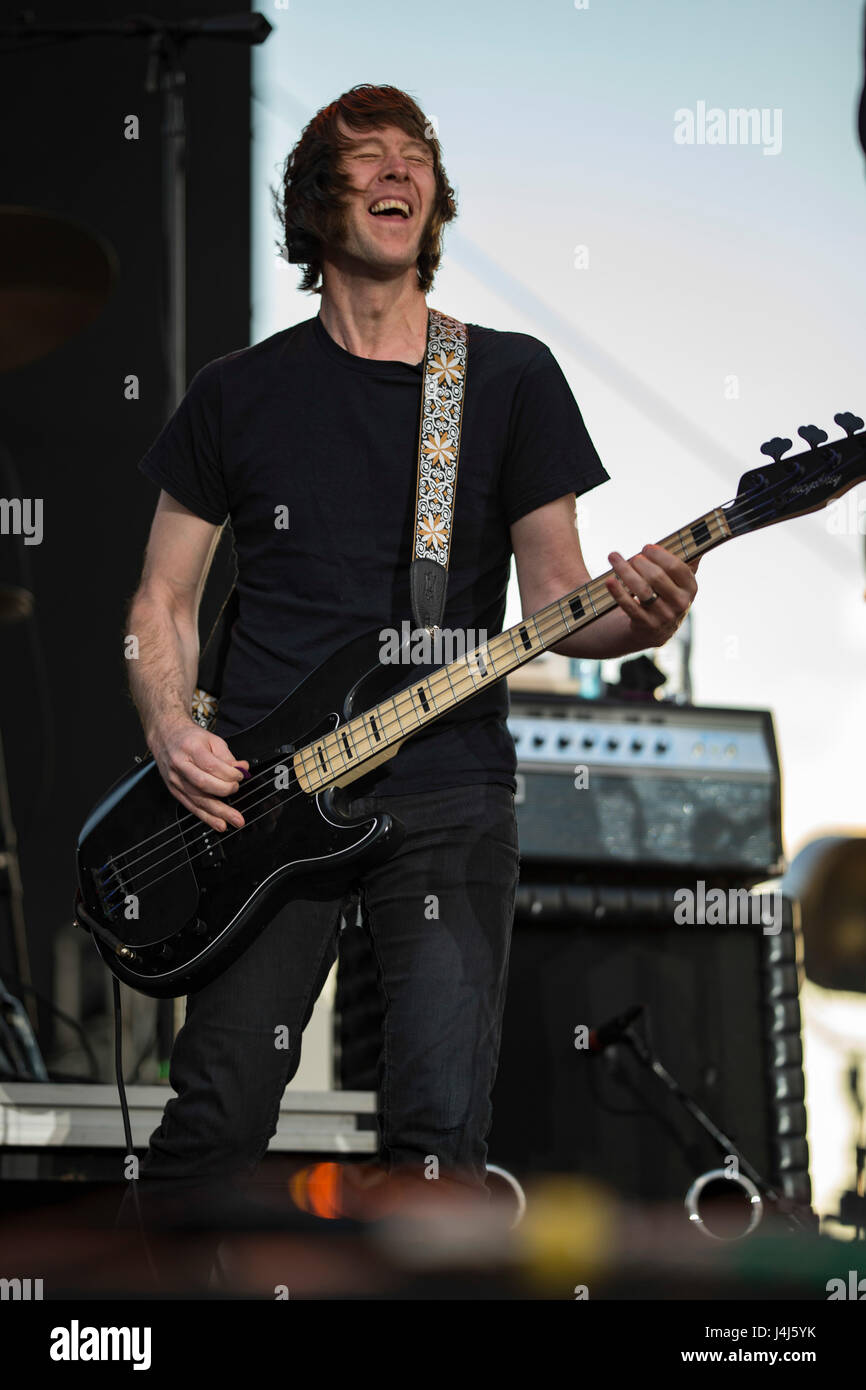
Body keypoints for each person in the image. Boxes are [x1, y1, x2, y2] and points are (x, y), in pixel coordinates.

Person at [122, 83, 699, 1233]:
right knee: (214, 1121)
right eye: (366, 156)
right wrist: (171, 725)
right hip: (263, 803)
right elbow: (161, 598)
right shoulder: (235, 393)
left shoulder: (506, 377)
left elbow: (557, 599)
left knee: (436, 1149)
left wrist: (643, 616)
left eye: (416, 157)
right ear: (313, 201)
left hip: (443, 789)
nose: (398, 172)